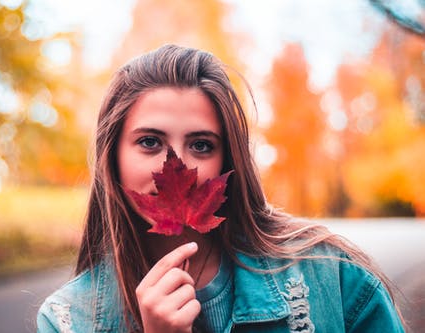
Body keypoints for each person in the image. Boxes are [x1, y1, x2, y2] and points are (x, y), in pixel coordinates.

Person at [37, 44, 405, 333]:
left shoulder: (329, 275)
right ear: (112, 155)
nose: (175, 166)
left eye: (201, 145)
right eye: (150, 142)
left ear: (228, 159)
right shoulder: (70, 319)